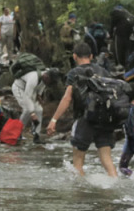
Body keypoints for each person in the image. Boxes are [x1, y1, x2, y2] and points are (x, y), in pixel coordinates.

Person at [46, 41, 119, 177]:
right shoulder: (103, 71)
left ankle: (80, 195)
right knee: (107, 160)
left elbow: (67, 98)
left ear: (74, 56)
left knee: (78, 162)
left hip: (85, 119)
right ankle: (114, 186)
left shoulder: (74, 73)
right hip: (105, 119)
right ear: (91, 56)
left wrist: (54, 119)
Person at [11, 61, 56, 144]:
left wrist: (39, 98)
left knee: (39, 110)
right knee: (27, 110)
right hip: (19, 88)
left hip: (32, 90)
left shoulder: (46, 78)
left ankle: (36, 135)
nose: (48, 83)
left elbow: (39, 91)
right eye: (49, 80)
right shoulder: (33, 78)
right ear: (46, 76)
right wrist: (32, 113)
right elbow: (27, 97)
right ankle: (18, 133)